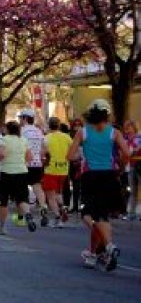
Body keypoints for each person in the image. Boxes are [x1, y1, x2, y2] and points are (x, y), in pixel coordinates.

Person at [67, 99, 129, 271]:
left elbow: (70, 156)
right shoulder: (114, 132)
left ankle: (108, 246)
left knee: (87, 214)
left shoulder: (82, 132)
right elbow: (127, 153)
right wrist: (121, 167)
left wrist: (81, 157)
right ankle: (97, 253)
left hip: (90, 176)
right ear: (106, 114)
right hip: (109, 176)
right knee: (103, 216)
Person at [0, 121, 37, 234]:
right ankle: (28, 215)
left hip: (6, 172)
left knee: (3, 201)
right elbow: (30, 157)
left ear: (8, 129)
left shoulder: (4, 139)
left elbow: (2, 154)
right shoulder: (24, 140)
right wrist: (21, 162)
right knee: (22, 198)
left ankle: (2, 226)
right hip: (21, 172)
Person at [18, 109, 48, 227]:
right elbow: (45, 147)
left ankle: (23, 216)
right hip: (37, 164)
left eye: (21, 118)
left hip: (24, 164)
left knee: (22, 190)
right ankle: (43, 208)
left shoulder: (21, 131)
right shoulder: (38, 131)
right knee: (37, 187)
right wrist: (41, 157)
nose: (19, 120)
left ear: (25, 119)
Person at [43, 117, 72, 228]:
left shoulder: (46, 138)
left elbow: (43, 154)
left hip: (51, 170)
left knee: (50, 196)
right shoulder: (67, 137)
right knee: (58, 193)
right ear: (59, 125)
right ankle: (63, 206)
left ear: (49, 126)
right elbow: (74, 150)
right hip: (63, 169)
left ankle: (57, 218)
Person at [63, 118, 84, 213]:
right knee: (72, 184)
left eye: (79, 124)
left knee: (79, 185)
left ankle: (79, 205)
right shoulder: (70, 135)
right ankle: (73, 205)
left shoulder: (84, 135)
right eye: (75, 124)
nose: (77, 126)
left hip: (81, 162)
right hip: (71, 162)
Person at [122, 120, 141, 220]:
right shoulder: (126, 140)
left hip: (140, 165)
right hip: (131, 166)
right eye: (126, 128)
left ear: (134, 127)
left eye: (129, 127)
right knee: (133, 191)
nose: (127, 130)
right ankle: (132, 214)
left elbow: (135, 150)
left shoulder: (139, 138)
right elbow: (126, 153)